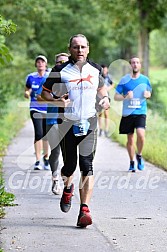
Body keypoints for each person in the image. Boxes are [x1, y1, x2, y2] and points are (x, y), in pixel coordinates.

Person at [41, 34, 110, 227]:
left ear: (88, 48)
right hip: (67, 124)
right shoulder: (60, 70)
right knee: (69, 167)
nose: (79, 50)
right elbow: (44, 93)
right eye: (75, 47)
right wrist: (57, 100)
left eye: (83, 47)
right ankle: (68, 187)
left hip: (89, 123)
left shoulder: (95, 70)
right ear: (70, 49)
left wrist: (106, 100)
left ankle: (84, 210)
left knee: (87, 165)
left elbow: (102, 90)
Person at [36, 53, 69, 195]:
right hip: (53, 118)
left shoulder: (72, 79)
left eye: (64, 62)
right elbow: (38, 98)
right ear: (55, 64)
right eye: (59, 62)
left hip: (69, 120)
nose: (61, 64)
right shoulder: (48, 78)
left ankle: (68, 182)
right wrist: (56, 101)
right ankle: (55, 178)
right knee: (55, 152)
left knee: (70, 152)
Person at [114, 56, 152, 172]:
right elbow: (116, 97)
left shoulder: (145, 80)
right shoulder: (124, 80)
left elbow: (149, 93)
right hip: (128, 113)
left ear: (140, 65)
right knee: (130, 139)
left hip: (140, 112)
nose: (135, 65)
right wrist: (125, 96)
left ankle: (139, 155)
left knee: (141, 135)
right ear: (130, 65)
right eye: (133, 63)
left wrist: (147, 95)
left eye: (137, 63)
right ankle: (131, 162)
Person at [24, 55, 50, 170]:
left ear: (46, 64)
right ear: (36, 64)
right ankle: (38, 160)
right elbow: (27, 88)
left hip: (47, 109)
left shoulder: (49, 77)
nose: (40, 64)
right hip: (35, 108)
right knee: (38, 133)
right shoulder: (30, 77)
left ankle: (46, 159)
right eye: (38, 62)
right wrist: (27, 93)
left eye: (42, 62)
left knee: (46, 135)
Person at [98, 64, 114, 137]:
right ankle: (100, 129)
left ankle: (106, 129)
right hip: (99, 98)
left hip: (107, 97)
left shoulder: (109, 77)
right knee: (100, 114)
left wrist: (108, 88)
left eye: (105, 70)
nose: (104, 71)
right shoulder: (99, 77)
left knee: (106, 114)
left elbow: (113, 84)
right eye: (103, 70)